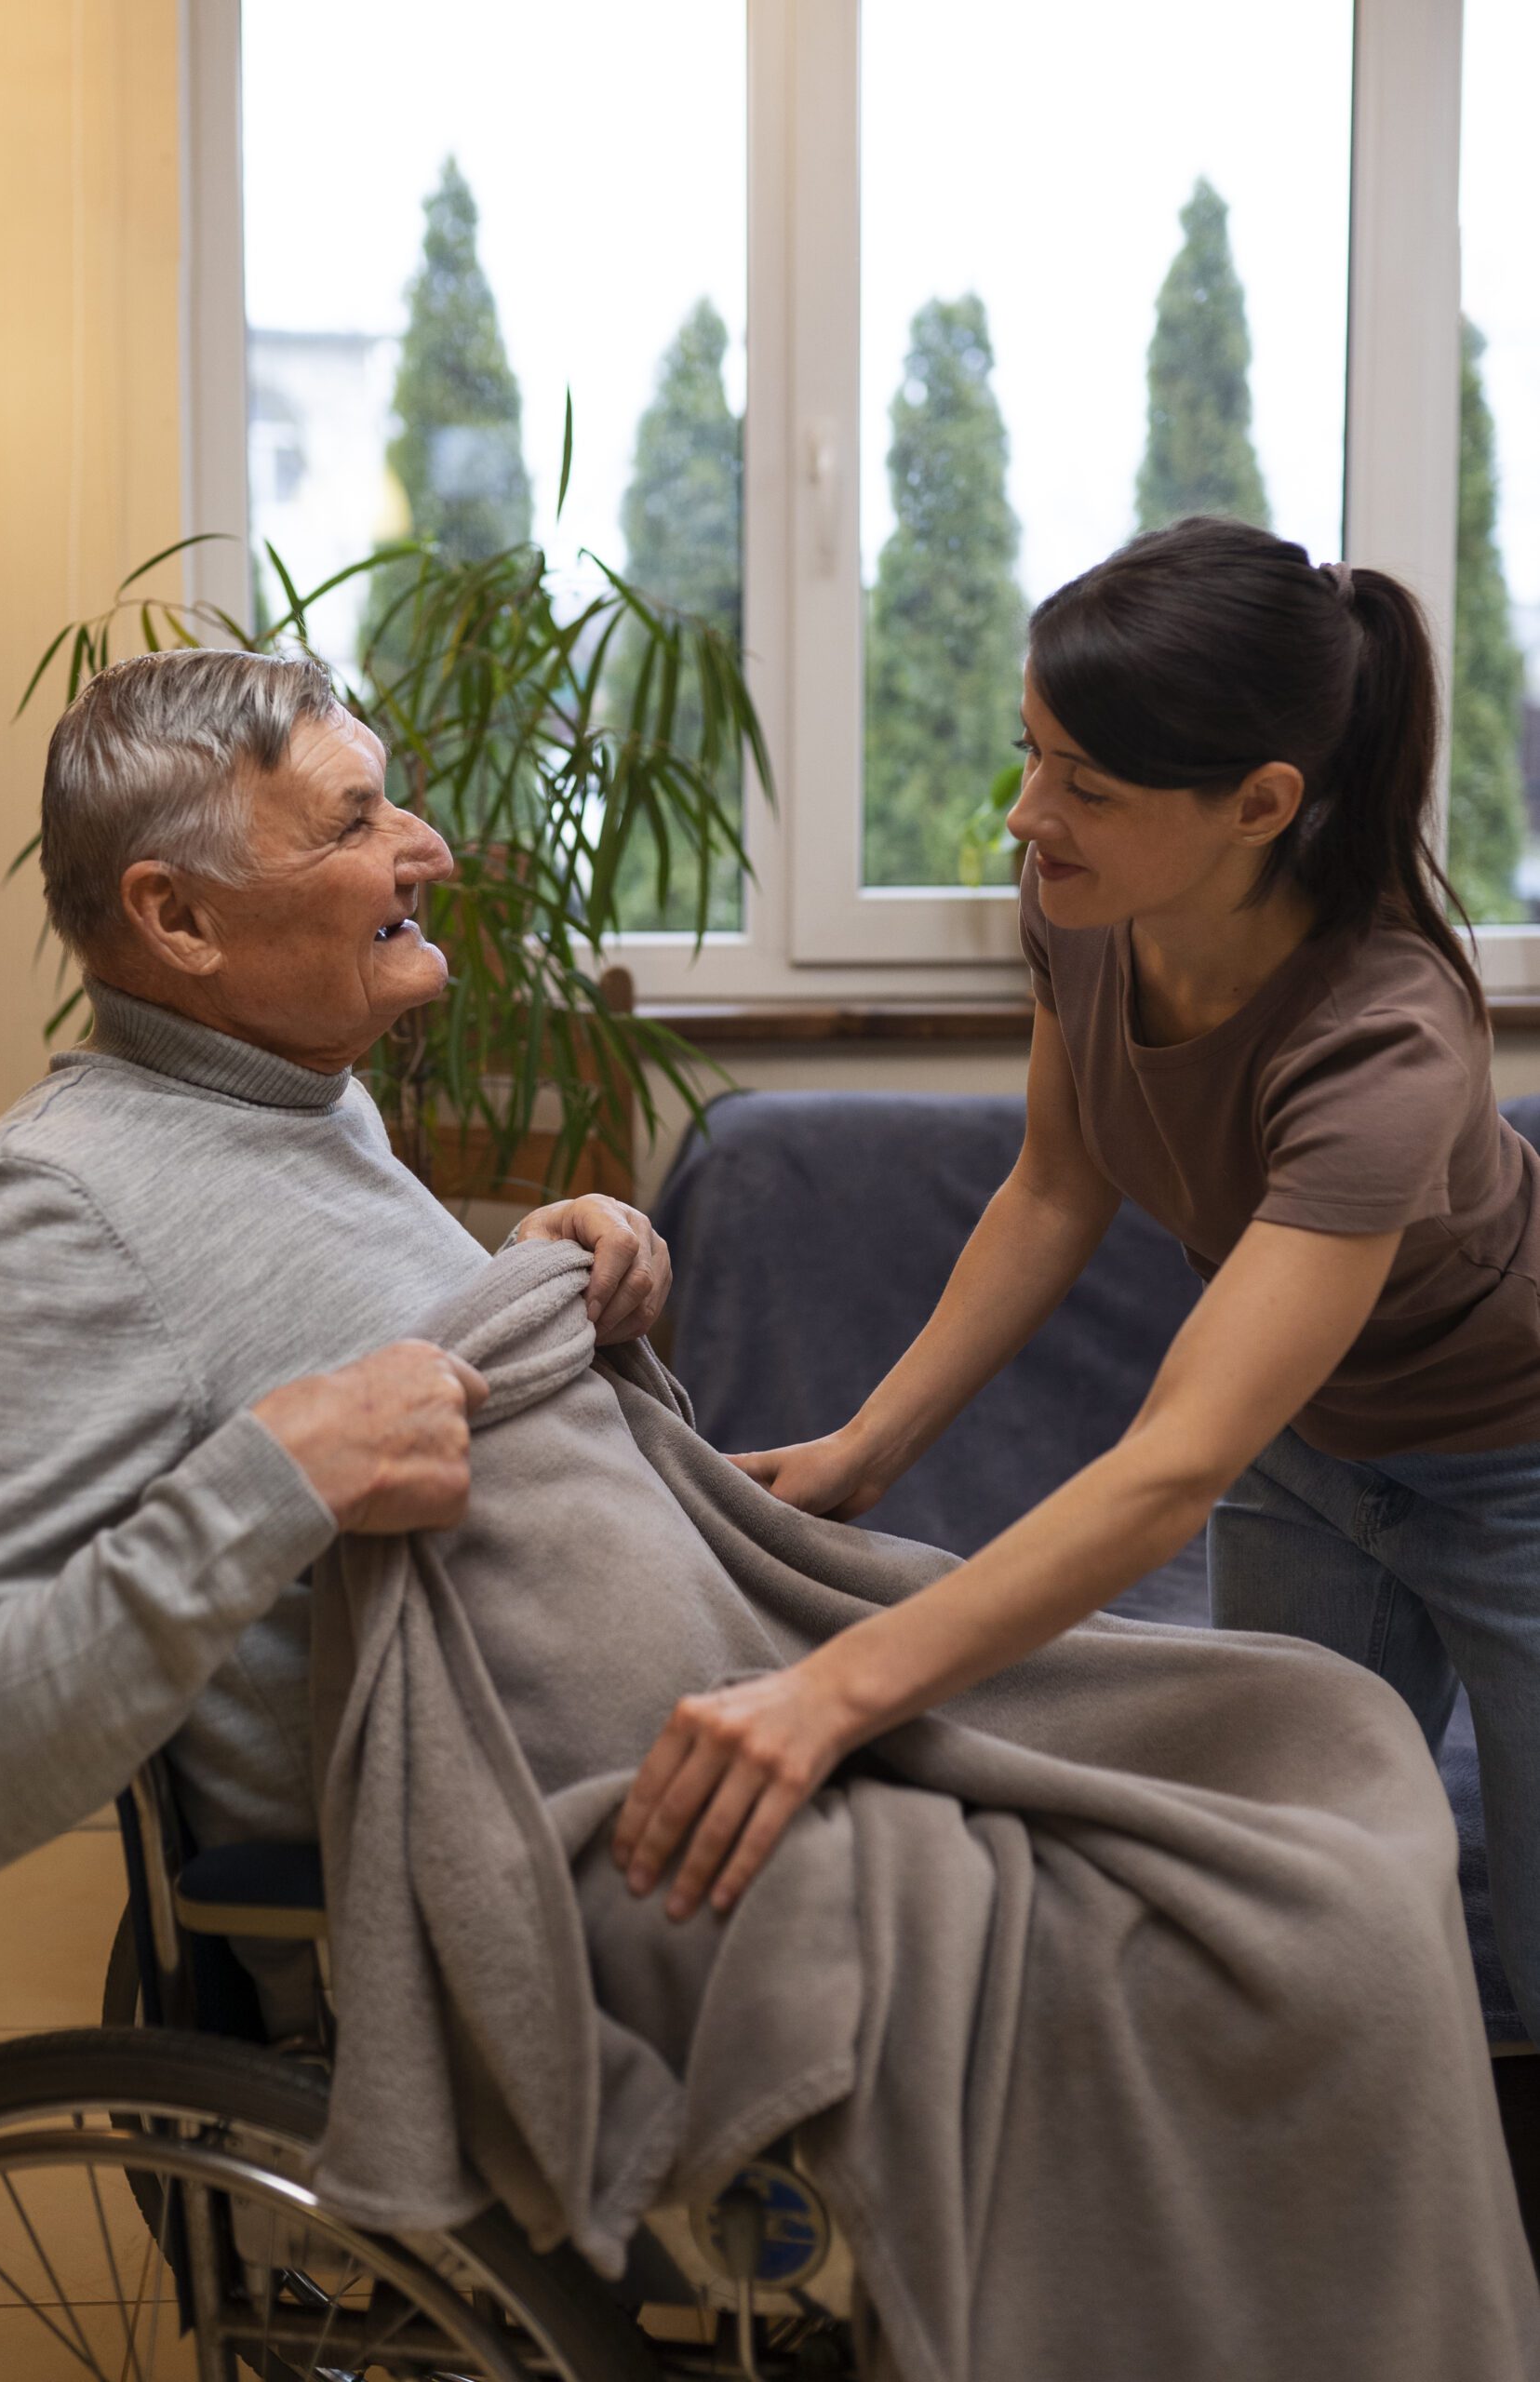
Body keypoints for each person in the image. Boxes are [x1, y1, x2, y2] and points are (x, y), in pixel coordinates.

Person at [611, 515, 1540, 2054]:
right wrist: (867, 1445)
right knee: (1280, 1911)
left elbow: (1173, 1464)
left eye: (1085, 787)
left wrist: (840, 1694)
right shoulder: (1087, 913)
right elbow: (1055, 1184)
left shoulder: (1383, 1041)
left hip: (1514, 1468)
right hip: (1313, 1465)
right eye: (1029, 755)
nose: (1029, 817)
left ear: (1261, 804)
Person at [0, 648, 670, 1897]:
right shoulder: (56, 1211)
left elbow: (306, 1341)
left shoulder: (302, 1098)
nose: (431, 849)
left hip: (663, 1780)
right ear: (178, 919)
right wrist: (272, 1480)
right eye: (355, 821)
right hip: (567, 1888)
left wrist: (521, 1287)